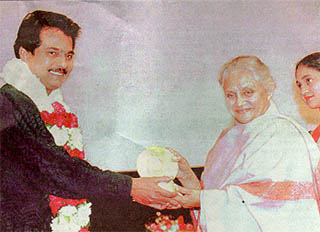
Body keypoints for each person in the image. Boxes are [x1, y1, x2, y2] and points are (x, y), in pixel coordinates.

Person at [0, 10, 179, 231]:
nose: (63, 64)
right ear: (25, 53)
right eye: (52, 53)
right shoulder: (9, 103)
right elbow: (58, 170)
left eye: (69, 55)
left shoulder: (45, 103)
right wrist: (131, 187)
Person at [170, 56, 320, 231]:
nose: (239, 102)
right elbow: (211, 202)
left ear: (268, 90)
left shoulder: (281, 132)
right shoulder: (227, 139)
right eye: (230, 95)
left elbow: (273, 205)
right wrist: (186, 176)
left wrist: (202, 199)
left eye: (248, 92)